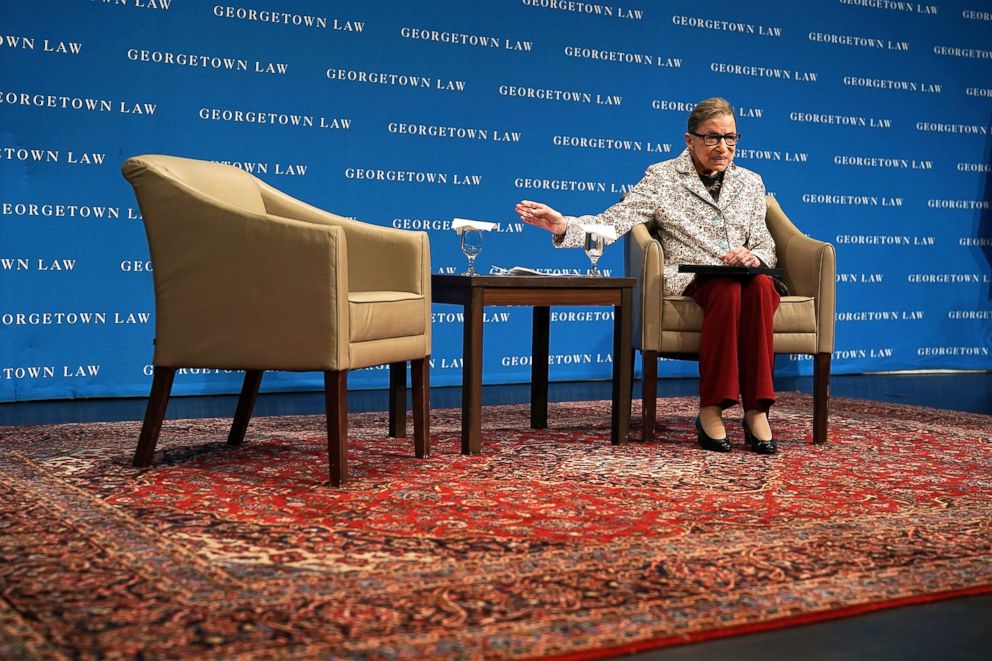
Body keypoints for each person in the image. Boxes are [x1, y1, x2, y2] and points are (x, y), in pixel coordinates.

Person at [515, 97, 779, 454]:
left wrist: (754, 255)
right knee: (727, 290)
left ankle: (757, 408)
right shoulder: (662, 178)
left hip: (743, 274)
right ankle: (712, 408)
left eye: (731, 138)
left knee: (762, 285)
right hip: (691, 276)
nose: (723, 147)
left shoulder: (750, 182)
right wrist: (565, 225)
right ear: (689, 140)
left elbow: (765, 241)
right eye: (713, 138)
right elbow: (617, 218)